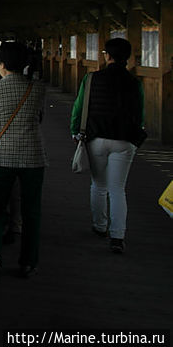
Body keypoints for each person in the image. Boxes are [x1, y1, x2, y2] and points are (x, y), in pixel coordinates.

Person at [70, 37, 144, 254]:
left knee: (98, 185)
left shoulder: (92, 79)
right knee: (118, 189)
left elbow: (79, 107)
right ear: (127, 58)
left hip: (96, 138)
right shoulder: (134, 83)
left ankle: (100, 226)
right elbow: (140, 114)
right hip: (124, 140)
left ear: (108, 56)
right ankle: (117, 236)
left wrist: (75, 130)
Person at [0, 41, 48, 282]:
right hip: (33, 158)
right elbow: (39, 117)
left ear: (1, 65)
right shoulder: (38, 89)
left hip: (0, 158)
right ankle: (29, 263)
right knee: (31, 212)